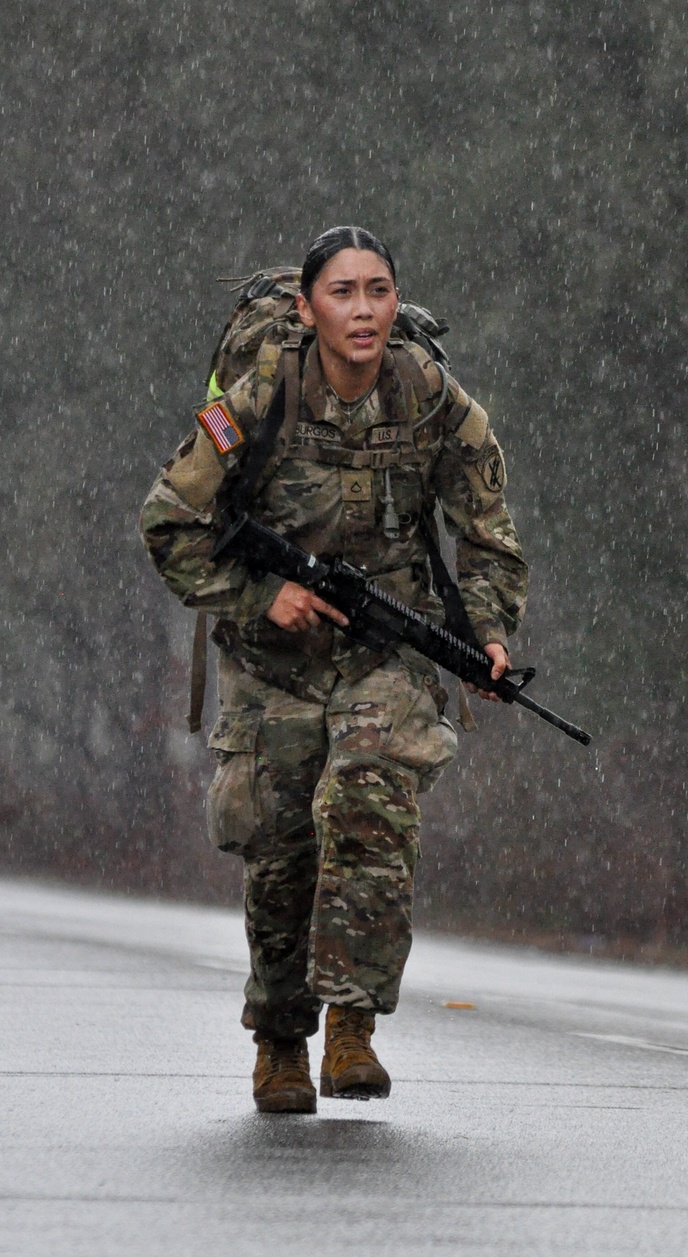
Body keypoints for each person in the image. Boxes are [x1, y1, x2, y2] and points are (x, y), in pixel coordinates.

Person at [140, 226, 528, 1112]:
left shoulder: (432, 396)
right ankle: (280, 1041)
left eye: (379, 291)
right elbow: (167, 519)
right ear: (310, 306)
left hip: (383, 654)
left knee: (368, 801)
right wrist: (255, 596)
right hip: (272, 661)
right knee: (280, 848)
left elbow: (490, 537)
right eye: (344, 292)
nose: (364, 310)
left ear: (398, 302)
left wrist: (491, 634)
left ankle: (352, 1025)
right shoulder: (258, 393)